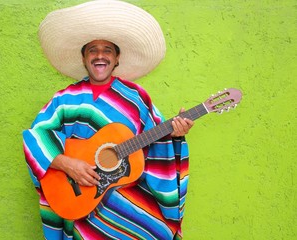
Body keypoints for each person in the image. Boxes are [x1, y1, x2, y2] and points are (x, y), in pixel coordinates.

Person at [23, 1, 194, 239]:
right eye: (92, 50)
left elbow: (156, 143)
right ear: (84, 58)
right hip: (80, 201)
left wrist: (174, 134)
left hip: (125, 209)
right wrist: (67, 164)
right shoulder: (64, 99)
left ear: (117, 59)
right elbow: (36, 136)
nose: (100, 56)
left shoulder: (136, 99)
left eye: (107, 50)